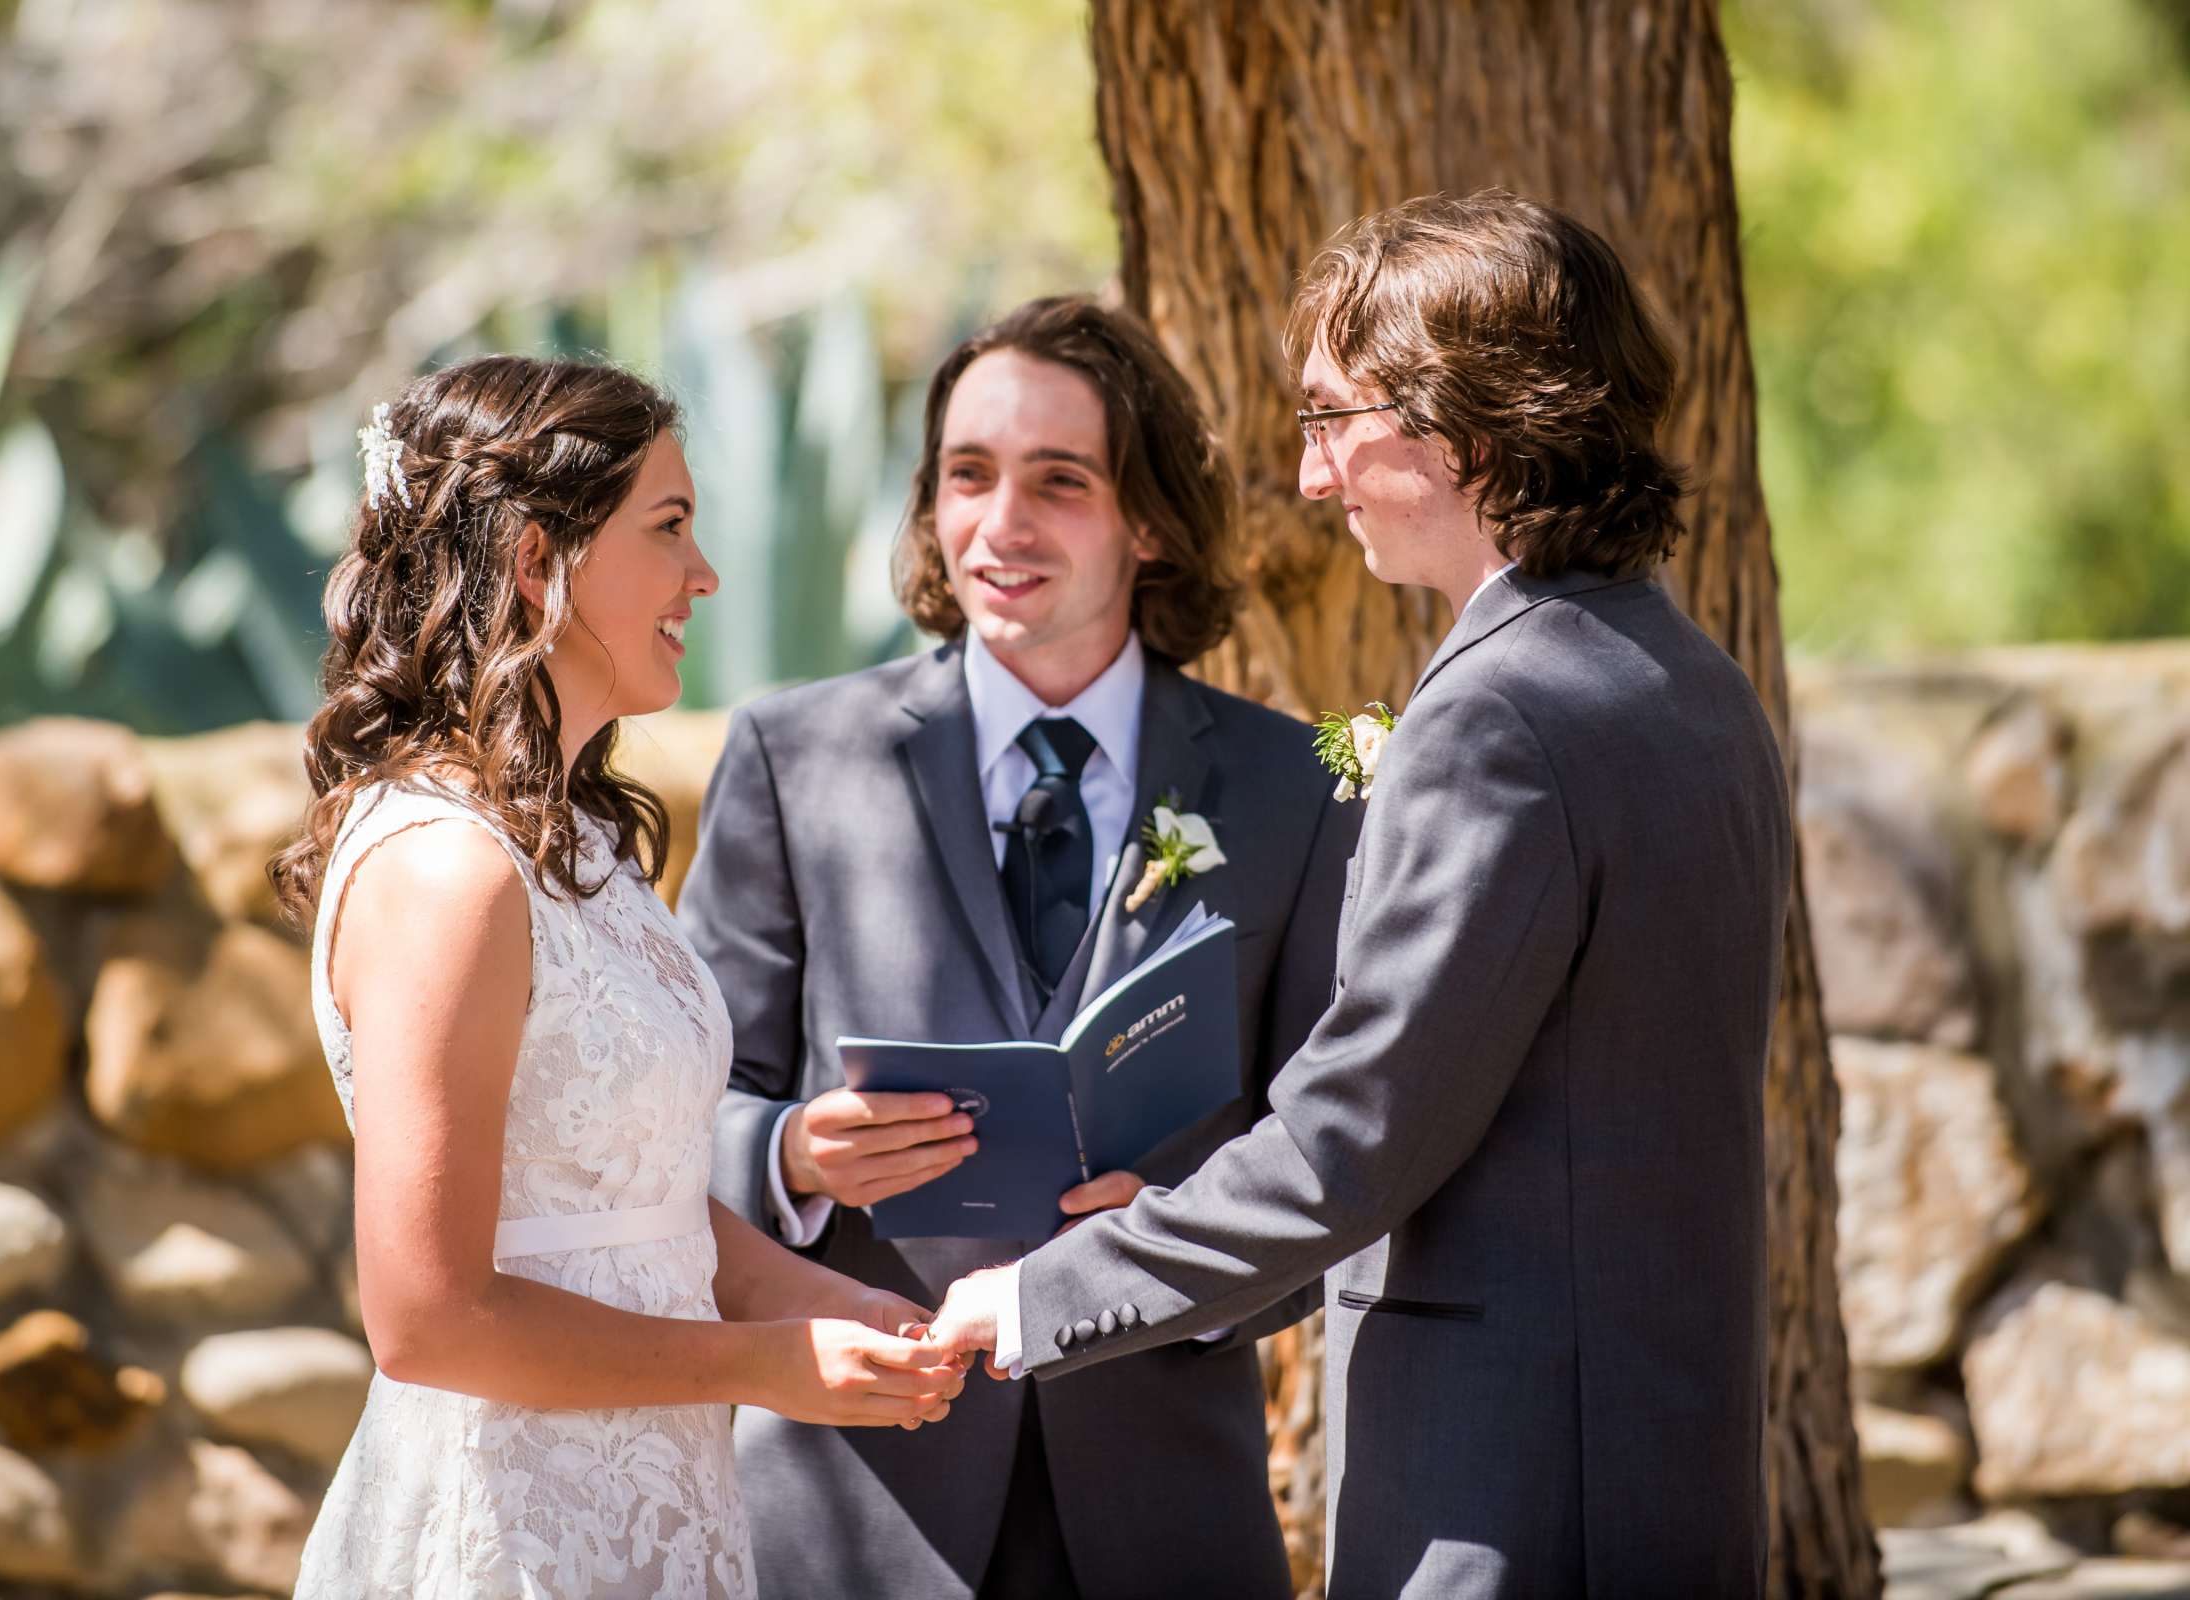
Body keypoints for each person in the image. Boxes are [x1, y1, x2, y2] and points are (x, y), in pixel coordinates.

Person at [931, 192, 1796, 1597]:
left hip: (1509, 1490)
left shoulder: (1500, 715)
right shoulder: (1691, 683)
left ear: (1471, 423)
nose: (1313, 474)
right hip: (1656, 1460)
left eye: (1334, 419)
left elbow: (1359, 1131)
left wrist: (1042, 1294)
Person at [676, 297, 1357, 1599]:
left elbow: (1332, 1152)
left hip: (1167, 1510)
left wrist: (1194, 1244)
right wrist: (792, 1154)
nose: (1002, 524)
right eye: (968, 476)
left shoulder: (1290, 789)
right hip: (856, 1497)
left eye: (1061, 482)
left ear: (1148, 521)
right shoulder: (792, 757)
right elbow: (668, 1117)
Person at [275, 355, 968, 1600]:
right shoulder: (447, 867)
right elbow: (427, 1319)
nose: (704, 574)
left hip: (660, 1515)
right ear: (540, 562)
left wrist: (840, 1308)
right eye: (668, 528)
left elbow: (636, 1197)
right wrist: (760, 1363)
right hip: (509, 1533)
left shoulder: (572, 838)